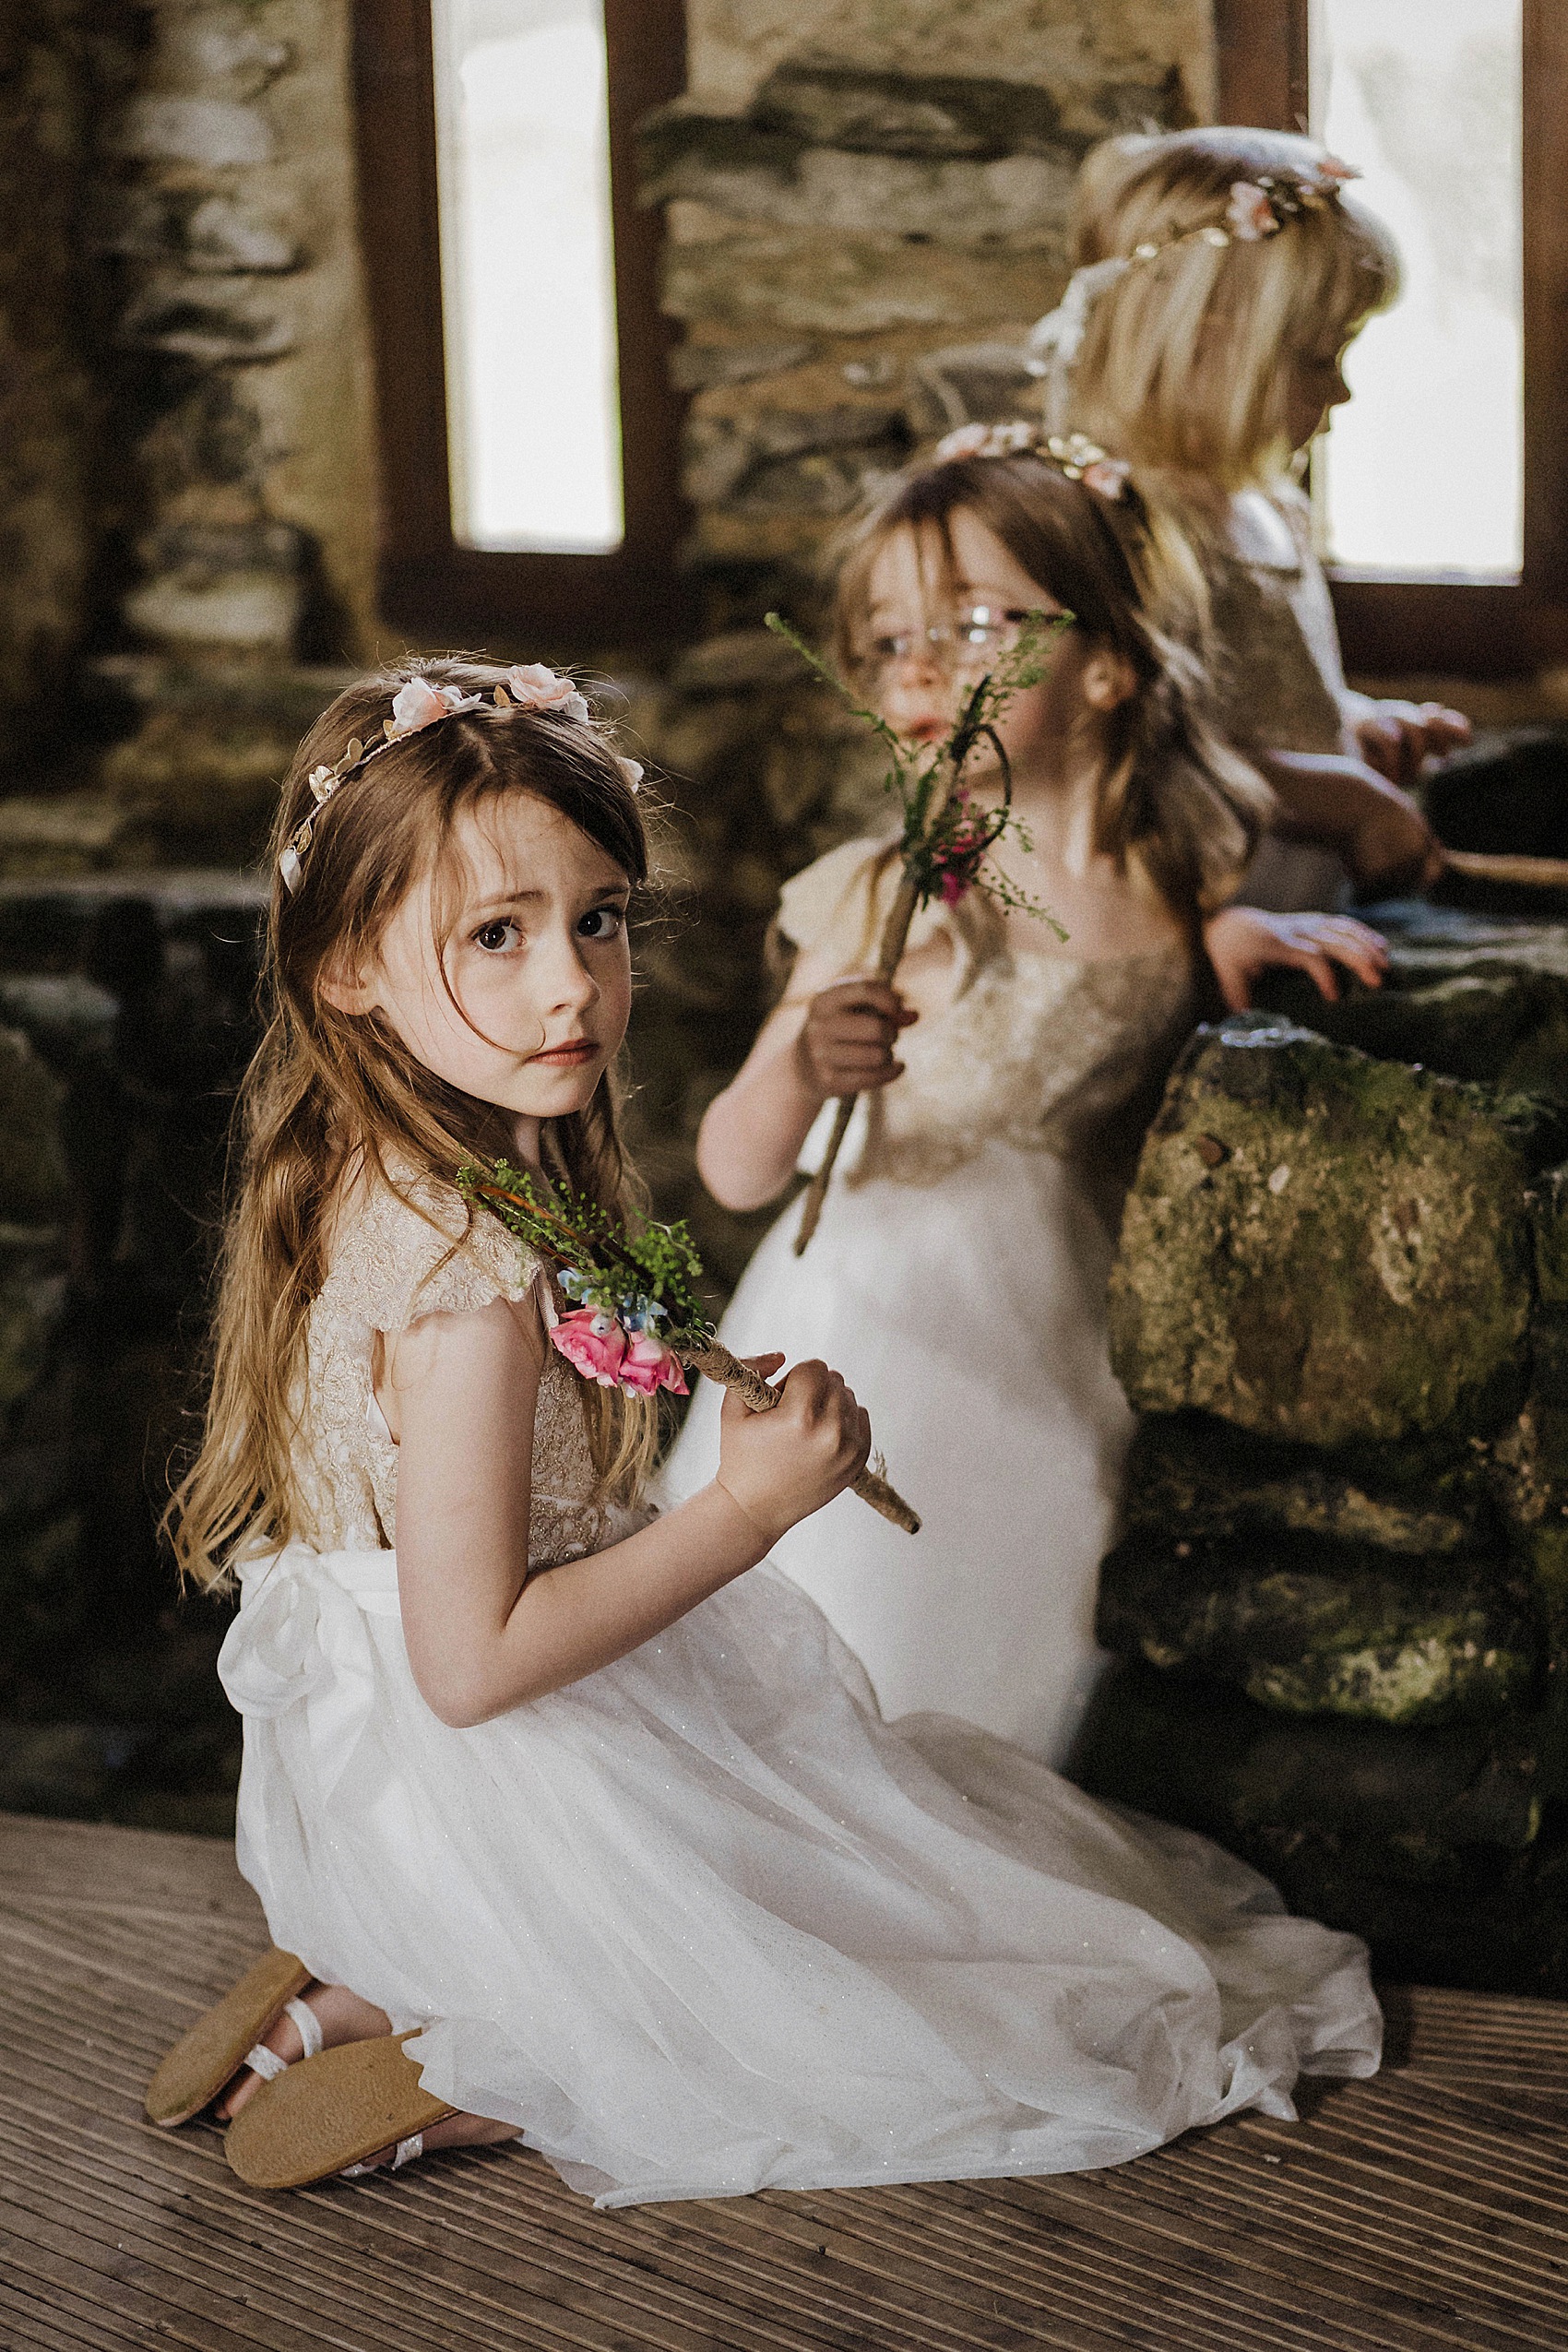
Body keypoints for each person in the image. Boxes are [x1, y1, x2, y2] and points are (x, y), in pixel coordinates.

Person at [147, 655, 1380, 2204]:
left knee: (860, 1875)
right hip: (495, 1763)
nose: (571, 986)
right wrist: (741, 1511)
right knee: (881, 1999)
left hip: (374, 1777)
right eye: (496, 935)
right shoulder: (462, 1284)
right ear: (347, 969)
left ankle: (365, 1978)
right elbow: (476, 1668)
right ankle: (487, 2050)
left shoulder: (386, 1162)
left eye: (597, 919)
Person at [659, 435, 1388, 1764]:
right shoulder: (895, 893)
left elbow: (1204, 936)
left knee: (1016, 1638)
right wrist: (800, 1062)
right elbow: (732, 1167)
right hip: (875, 1319)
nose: (920, 669)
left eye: (976, 625)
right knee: (845, 1650)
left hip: (1057, 1317)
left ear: (1107, 662)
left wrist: (1225, 945)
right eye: (885, 642)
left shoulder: (1181, 866)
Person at [1030, 125, 1469, 909]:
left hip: (1299, 913)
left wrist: (1354, 729)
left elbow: (1262, 706)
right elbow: (1135, 755)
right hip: (1193, 923)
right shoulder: (1111, 524)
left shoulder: (1273, 509)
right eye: (1317, 358)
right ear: (1206, 347)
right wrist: (1349, 801)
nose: (1342, 393)